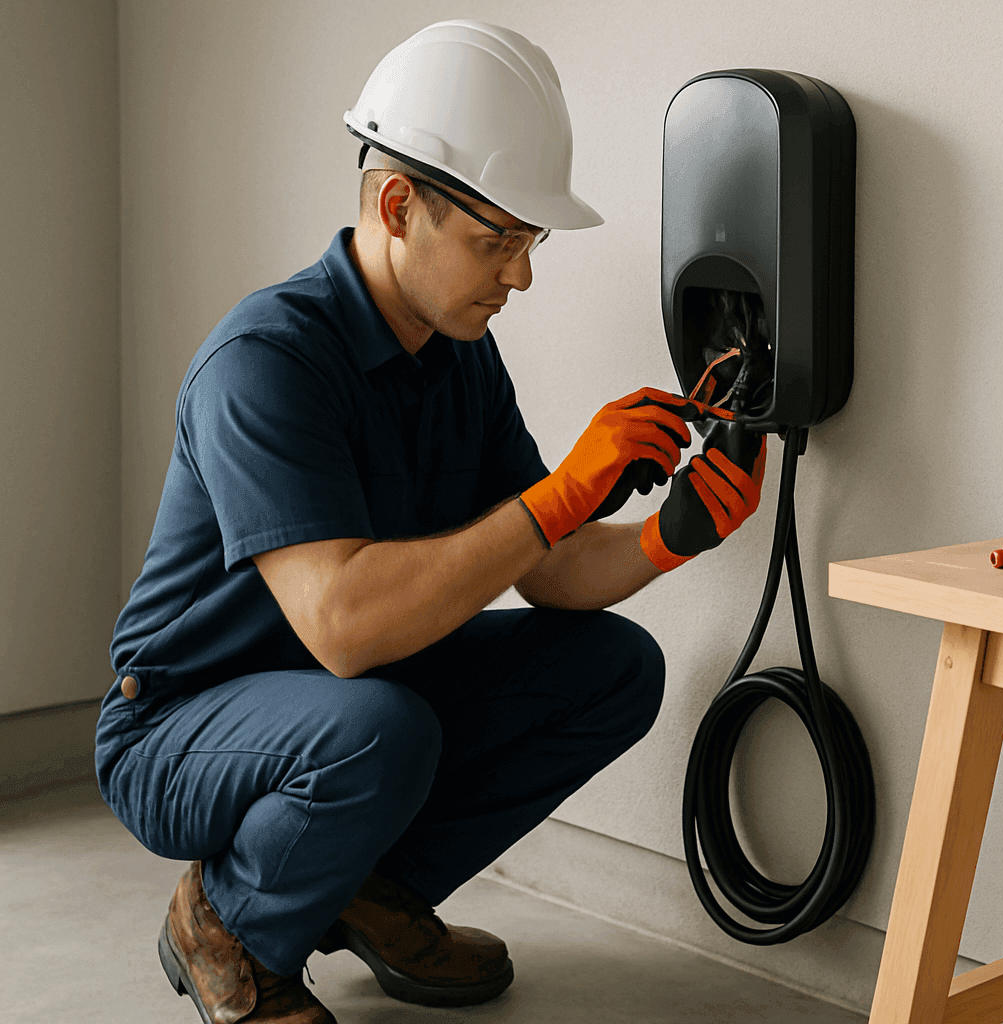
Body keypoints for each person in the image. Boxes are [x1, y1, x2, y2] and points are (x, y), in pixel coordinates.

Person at [95, 21, 766, 1024]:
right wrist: (558, 496)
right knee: (379, 727)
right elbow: (346, 626)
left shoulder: (457, 356)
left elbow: (547, 567)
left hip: (343, 700)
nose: (521, 276)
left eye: (527, 243)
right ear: (398, 205)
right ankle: (227, 923)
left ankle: (369, 886)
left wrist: (665, 539)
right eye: (496, 240)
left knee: (613, 668)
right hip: (182, 723)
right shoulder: (266, 362)